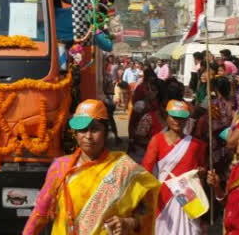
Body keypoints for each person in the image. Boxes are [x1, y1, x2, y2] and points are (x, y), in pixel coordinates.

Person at [23, 99, 159, 235]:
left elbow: (147, 207)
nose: (88, 136)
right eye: (82, 130)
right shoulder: (61, 167)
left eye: (94, 129)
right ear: (75, 134)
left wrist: (129, 222)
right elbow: (40, 212)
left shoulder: (123, 167)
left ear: (105, 132)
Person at [141, 100, 205, 234]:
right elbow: (146, 169)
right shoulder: (157, 140)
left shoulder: (196, 144)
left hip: (188, 196)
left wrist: (202, 172)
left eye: (182, 118)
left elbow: (202, 169)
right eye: (174, 117)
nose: (177, 121)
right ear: (167, 117)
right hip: (163, 195)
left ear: (187, 119)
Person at [128, 80, 166, 163]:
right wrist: (131, 139)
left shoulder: (163, 106)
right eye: (147, 89)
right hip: (141, 146)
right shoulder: (139, 105)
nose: (150, 92)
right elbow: (132, 123)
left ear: (158, 92)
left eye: (153, 90)